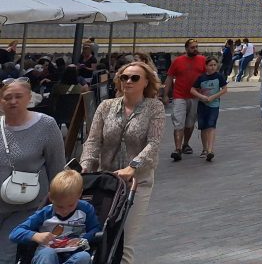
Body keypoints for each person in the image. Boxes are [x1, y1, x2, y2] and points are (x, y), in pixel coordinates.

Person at [80, 62, 163, 264]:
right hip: (106, 181)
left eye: (134, 78)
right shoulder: (106, 106)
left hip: (137, 182)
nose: (128, 81)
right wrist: (85, 166)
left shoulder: (154, 107)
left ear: (145, 83)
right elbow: (93, 140)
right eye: (124, 77)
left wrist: (132, 166)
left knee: (123, 240)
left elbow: (153, 143)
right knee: (99, 236)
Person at [0, 79, 65, 264]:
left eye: (18, 97)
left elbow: (57, 168)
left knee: (5, 256)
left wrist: (57, 206)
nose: (13, 101)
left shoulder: (46, 125)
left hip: (27, 206)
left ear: (29, 98)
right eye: (7, 97)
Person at [9, 169, 100, 264]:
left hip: (73, 254)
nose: (65, 211)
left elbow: (95, 229)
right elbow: (15, 233)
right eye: (60, 206)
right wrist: (36, 236)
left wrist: (82, 240)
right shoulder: (46, 213)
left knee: (84, 256)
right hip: (46, 255)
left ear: (79, 195)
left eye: (70, 205)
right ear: (51, 198)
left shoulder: (85, 209)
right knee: (48, 254)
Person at [162, 39, 207, 160]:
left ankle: (185, 144)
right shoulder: (177, 61)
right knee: (178, 122)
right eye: (192, 47)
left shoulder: (202, 60)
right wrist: (165, 94)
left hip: (195, 96)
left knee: (190, 123)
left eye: (196, 47)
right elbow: (169, 78)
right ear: (186, 48)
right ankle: (177, 149)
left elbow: (207, 77)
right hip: (179, 96)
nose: (195, 49)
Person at [190, 56, 227, 161]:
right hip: (202, 105)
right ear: (206, 66)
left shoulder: (219, 76)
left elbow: (224, 89)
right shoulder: (201, 78)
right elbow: (192, 90)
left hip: (214, 105)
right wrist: (202, 97)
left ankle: (210, 150)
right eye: (210, 65)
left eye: (215, 65)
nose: (213, 67)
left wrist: (213, 97)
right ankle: (205, 148)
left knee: (211, 126)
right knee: (203, 127)